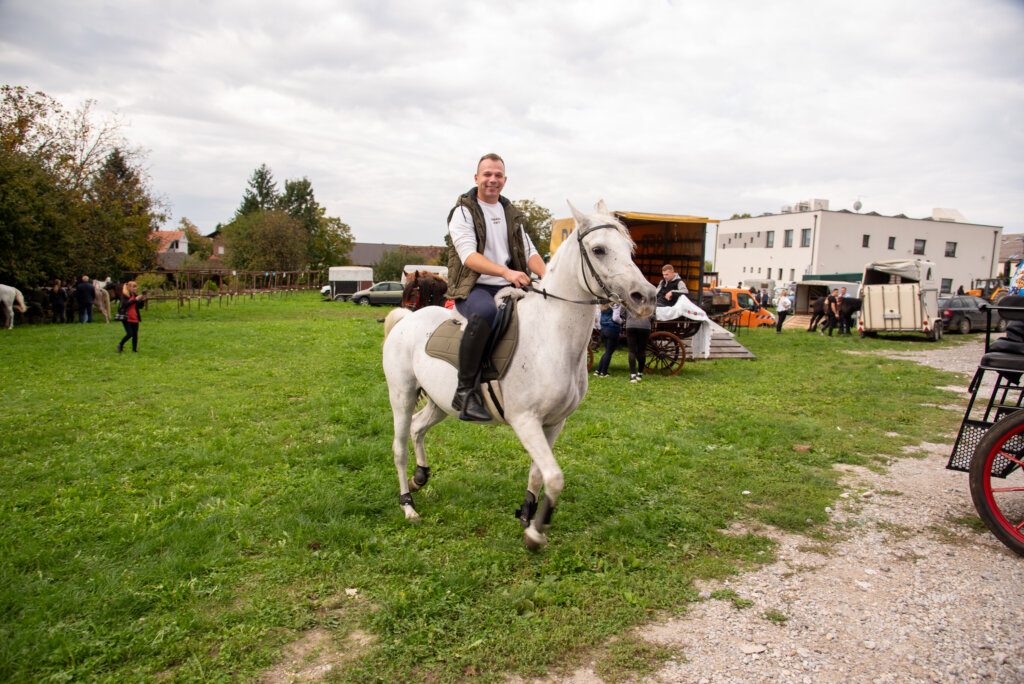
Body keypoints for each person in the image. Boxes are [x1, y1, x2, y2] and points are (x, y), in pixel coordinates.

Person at [446, 153, 546, 421]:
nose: (492, 180)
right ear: (476, 178)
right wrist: (506, 271)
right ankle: (465, 392)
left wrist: (547, 275)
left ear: (505, 180)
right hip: (473, 287)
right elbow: (469, 256)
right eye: (487, 174)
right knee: (486, 314)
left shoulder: (510, 213)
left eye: (498, 175)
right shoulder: (463, 212)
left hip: (510, 284)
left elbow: (529, 251)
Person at [624, 307, 652, 381]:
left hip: (631, 324)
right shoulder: (648, 301)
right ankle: (640, 373)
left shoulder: (629, 300)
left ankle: (633, 375)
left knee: (631, 351)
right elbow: (653, 315)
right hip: (645, 325)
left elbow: (622, 313)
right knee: (642, 351)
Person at [116, 281, 145, 353]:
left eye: (136, 287)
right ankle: (120, 344)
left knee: (135, 334)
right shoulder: (125, 296)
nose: (135, 289)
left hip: (135, 317)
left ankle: (134, 350)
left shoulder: (135, 295)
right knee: (130, 334)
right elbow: (125, 304)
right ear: (129, 287)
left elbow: (140, 307)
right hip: (127, 317)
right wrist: (135, 300)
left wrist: (142, 300)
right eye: (133, 287)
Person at [594, 302, 622, 378]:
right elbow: (615, 318)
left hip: (604, 329)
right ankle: (604, 372)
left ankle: (598, 370)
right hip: (612, 329)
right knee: (609, 352)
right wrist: (621, 321)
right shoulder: (616, 305)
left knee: (607, 352)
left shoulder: (603, 306)